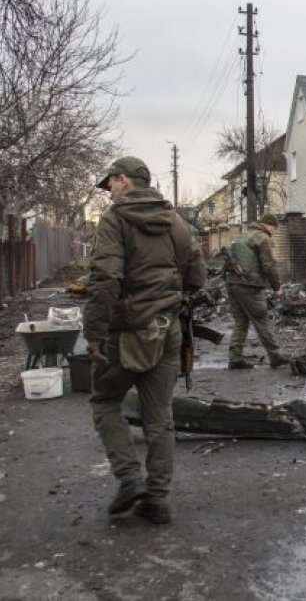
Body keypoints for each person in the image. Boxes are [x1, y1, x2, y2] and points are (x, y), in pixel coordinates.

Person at [83, 156, 206, 524]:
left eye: (111, 184)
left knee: (105, 401)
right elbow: (197, 274)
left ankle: (129, 479)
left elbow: (105, 279)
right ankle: (157, 499)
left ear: (124, 180)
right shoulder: (176, 221)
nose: (109, 192)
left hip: (127, 330)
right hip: (167, 328)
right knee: (160, 416)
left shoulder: (115, 219)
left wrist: (93, 333)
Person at [224, 213, 286, 370]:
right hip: (249, 285)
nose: (274, 231)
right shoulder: (262, 238)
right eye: (274, 227)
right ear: (269, 225)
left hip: (232, 283)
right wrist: (277, 287)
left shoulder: (243, 236)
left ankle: (235, 357)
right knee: (261, 320)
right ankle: (275, 356)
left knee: (241, 321)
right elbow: (269, 266)